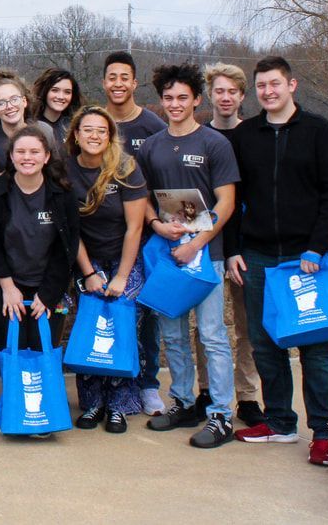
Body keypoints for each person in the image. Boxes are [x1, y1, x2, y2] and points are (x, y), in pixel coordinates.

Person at [227, 56, 328, 467]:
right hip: (259, 255)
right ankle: (279, 421)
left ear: (292, 85)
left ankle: (324, 432)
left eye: (275, 84)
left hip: (307, 258)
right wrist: (233, 250)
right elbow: (232, 198)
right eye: (261, 86)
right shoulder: (246, 136)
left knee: (316, 346)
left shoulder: (319, 132)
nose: (268, 92)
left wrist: (317, 246)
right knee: (266, 344)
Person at [139, 63, 238, 449]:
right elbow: (143, 200)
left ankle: (220, 415)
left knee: (212, 334)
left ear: (197, 100)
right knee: (173, 334)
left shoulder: (214, 144)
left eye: (183, 98)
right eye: (168, 98)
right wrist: (157, 225)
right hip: (168, 254)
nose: (175, 104)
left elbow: (227, 201)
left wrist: (197, 243)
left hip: (205, 254)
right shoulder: (152, 146)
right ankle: (182, 402)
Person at [0, 125, 79, 428]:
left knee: (41, 345)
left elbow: (67, 250)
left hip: (48, 286)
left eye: (34, 151)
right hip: (8, 284)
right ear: (11, 156)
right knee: (12, 345)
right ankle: (16, 410)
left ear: (47, 156)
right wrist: (8, 287)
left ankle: (43, 412)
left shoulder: (62, 195)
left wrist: (47, 295)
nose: (27, 157)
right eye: (20, 151)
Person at [66, 106, 147, 434]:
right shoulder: (66, 171)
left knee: (123, 331)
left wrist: (122, 277)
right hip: (87, 260)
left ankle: (119, 405)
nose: (94, 136)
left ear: (110, 136)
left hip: (125, 260)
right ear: (76, 135)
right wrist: (88, 272)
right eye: (88, 130)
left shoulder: (125, 168)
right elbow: (71, 230)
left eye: (102, 130)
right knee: (89, 329)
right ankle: (92, 403)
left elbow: (134, 228)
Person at [190, 63, 263, 427]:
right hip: (209, 244)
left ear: (241, 96)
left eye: (232, 91)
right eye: (219, 91)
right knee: (207, 327)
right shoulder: (201, 137)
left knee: (246, 326)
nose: (226, 97)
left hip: (247, 245)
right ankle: (206, 389)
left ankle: (247, 395)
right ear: (210, 94)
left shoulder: (253, 136)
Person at [101, 51, 167, 416]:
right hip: (101, 239)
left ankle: (148, 384)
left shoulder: (152, 126)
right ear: (104, 82)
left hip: (146, 236)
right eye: (112, 77)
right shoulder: (95, 123)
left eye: (124, 77)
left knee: (147, 315)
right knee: (106, 314)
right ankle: (108, 383)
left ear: (134, 83)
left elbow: (163, 181)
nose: (118, 83)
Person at [0, 69, 53, 170]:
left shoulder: (44, 131)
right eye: (1, 103)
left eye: (14, 99)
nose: (9, 106)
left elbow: (55, 170)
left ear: (24, 101)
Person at [32, 67, 83, 149]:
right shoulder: (31, 125)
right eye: (55, 90)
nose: (61, 97)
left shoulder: (74, 126)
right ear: (45, 91)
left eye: (67, 92)